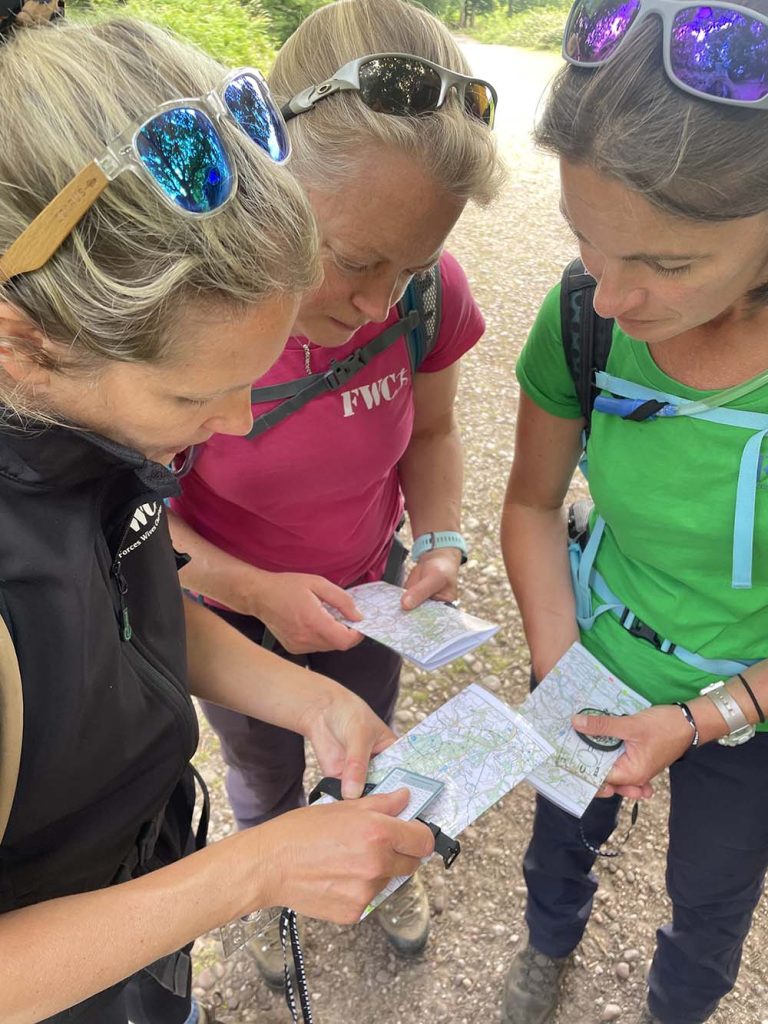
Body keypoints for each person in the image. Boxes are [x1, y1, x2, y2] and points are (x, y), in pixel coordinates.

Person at [0, 11, 436, 1024]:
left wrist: (308, 700)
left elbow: (126, 609)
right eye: (197, 399)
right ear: (23, 344)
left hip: (134, 954)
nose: (235, 424)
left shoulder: (76, 434)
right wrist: (246, 872)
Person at [168, 0, 504, 980]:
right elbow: (135, 522)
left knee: (369, 743)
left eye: (411, 266)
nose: (379, 304)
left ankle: (384, 868)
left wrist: (440, 533)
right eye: (356, 262)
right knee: (262, 764)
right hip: (229, 614)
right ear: (271, 182)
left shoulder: (430, 297)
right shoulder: (196, 318)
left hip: (369, 597)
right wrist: (260, 591)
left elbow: (434, 430)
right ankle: (273, 884)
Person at [500, 1, 768, 1022]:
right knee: (557, 830)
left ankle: (680, 1006)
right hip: (601, 644)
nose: (610, 298)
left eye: (668, 264)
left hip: (748, 703)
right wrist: (561, 668)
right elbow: (530, 504)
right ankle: (546, 942)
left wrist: (704, 718)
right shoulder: (581, 317)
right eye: (585, 241)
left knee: (713, 897)